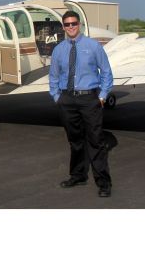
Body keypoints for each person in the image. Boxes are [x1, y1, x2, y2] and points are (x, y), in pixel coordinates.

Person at [49, 11, 114, 198]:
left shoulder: (93, 46)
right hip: (67, 100)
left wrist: (101, 96)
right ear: (63, 27)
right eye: (67, 24)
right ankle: (78, 176)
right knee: (75, 141)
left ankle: (103, 183)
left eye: (74, 23)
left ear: (79, 25)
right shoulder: (59, 50)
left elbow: (107, 73)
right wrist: (57, 97)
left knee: (96, 141)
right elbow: (53, 76)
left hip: (89, 99)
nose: (71, 27)